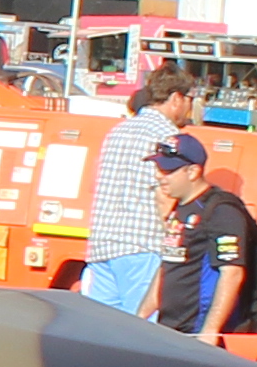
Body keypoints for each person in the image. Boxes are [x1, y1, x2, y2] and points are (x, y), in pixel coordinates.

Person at [81, 60, 195, 314]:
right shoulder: (168, 138)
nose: (190, 106)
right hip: (141, 246)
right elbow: (166, 194)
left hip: (102, 244)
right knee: (143, 331)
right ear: (176, 98)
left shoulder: (117, 131)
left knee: (105, 331)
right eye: (190, 98)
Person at [154, 137, 257, 342]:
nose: (159, 176)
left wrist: (210, 330)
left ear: (193, 172)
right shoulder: (181, 208)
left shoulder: (222, 210)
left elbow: (232, 273)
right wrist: (141, 316)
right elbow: (167, 267)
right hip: (169, 327)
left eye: (168, 171)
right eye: (158, 168)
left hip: (197, 330)